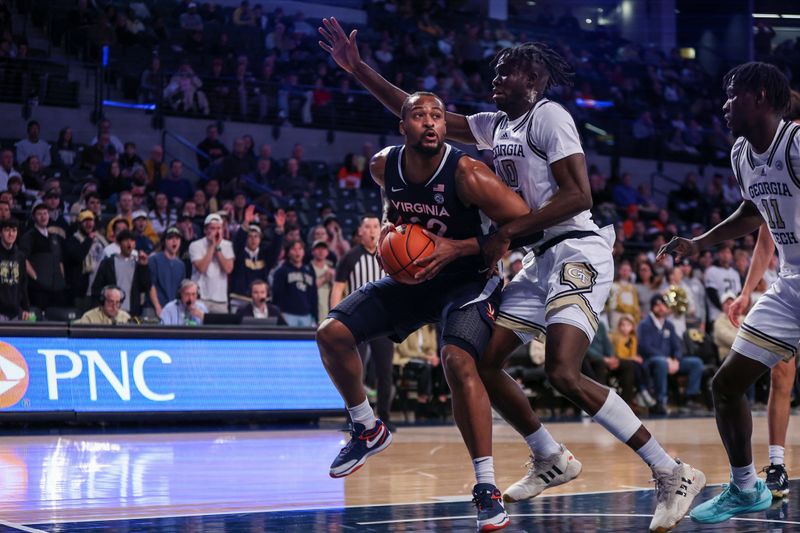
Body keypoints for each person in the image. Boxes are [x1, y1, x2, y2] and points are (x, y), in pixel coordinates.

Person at [319, 19, 704, 533]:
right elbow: (421, 117)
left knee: (563, 371)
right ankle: (549, 455)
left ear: (535, 81)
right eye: (496, 68)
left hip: (576, 248)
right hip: (535, 257)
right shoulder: (495, 125)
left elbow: (578, 196)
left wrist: (497, 236)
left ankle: (670, 470)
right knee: (483, 362)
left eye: (509, 70)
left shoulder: (550, 117)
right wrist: (359, 69)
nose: (496, 75)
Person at [315, 90, 531, 532]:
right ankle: (366, 428)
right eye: (419, 115)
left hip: (471, 279)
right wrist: (391, 231)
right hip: (415, 279)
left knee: (456, 359)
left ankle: (486, 487)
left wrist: (460, 247)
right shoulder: (382, 166)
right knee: (331, 333)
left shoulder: (469, 173)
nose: (431, 122)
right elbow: (396, 208)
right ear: (403, 127)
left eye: (437, 115)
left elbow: (527, 222)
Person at [659, 61, 797, 524]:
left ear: (760, 97)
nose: (724, 104)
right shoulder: (741, 152)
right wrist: (698, 243)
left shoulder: (795, 144)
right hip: (789, 285)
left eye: (733, 93)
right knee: (726, 384)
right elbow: (751, 211)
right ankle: (745, 488)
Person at [728, 224, 795, 499]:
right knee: (780, 375)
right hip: (791, 291)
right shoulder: (768, 185)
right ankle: (777, 464)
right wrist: (746, 292)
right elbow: (766, 243)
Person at [329, 214, 394, 430]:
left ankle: (385, 417)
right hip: (357, 322)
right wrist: (335, 316)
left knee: (385, 371)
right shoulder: (350, 257)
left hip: (384, 320)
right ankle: (355, 418)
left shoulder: (389, 252)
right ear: (360, 231)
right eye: (368, 227)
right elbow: (338, 287)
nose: (373, 230)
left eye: (376, 226)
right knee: (355, 371)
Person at [637, 294, 705, 414]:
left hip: (671, 362)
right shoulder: (644, 324)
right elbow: (645, 347)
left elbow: (677, 347)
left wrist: (677, 360)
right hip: (651, 361)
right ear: (652, 307)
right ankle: (661, 401)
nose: (661, 308)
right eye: (657, 305)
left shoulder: (669, 325)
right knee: (661, 363)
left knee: (696, 363)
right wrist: (667, 359)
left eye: (663, 304)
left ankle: (689, 398)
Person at [92, 230, 150, 317]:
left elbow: (145, 287)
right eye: (126, 240)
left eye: (132, 240)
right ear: (119, 243)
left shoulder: (138, 265)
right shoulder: (108, 263)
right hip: (111, 311)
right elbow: (97, 287)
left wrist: (144, 267)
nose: (129, 243)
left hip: (132, 312)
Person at [189, 213, 234, 314]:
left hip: (220, 299)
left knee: (221, 329)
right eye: (213, 228)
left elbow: (228, 269)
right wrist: (212, 246)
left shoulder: (228, 245)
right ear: (205, 230)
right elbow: (202, 268)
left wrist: (217, 248)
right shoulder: (195, 245)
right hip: (201, 298)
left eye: (219, 228)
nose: (217, 231)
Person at [271, 240, 317, 326]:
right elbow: (277, 295)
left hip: (306, 315)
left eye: (300, 249)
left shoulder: (309, 271)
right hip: (287, 314)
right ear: (288, 253)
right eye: (294, 249)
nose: (297, 252)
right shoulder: (281, 271)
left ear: (303, 252)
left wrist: (315, 317)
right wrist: (279, 314)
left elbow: (313, 296)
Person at [148, 227, 186, 317]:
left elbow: (181, 289)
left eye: (177, 238)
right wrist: (157, 307)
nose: (174, 241)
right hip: (154, 308)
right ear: (164, 242)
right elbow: (151, 286)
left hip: (173, 310)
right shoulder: (154, 259)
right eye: (170, 238)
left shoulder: (181, 265)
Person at [0, 218, 30, 320]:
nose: (11, 234)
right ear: (1, 233)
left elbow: (23, 284)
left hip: (15, 312)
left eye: (14, 230)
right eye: (7, 230)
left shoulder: (20, 256)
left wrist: (26, 308)